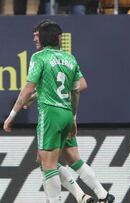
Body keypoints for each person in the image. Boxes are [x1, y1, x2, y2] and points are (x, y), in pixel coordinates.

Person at [3, 20, 113, 203]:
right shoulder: (70, 58)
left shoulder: (39, 57)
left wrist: (11, 116)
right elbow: (78, 88)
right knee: (69, 158)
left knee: (48, 165)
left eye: (37, 35)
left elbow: (28, 88)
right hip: (67, 113)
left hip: (50, 114)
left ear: (44, 37)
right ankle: (97, 195)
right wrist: (74, 116)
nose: (34, 39)